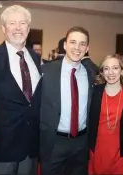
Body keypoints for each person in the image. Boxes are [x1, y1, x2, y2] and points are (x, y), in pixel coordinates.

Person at [0, 5, 42, 175]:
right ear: (3, 28)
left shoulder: (36, 58)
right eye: (12, 23)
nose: (17, 28)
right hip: (3, 146)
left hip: (31, 146)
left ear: (28, 29)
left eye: (22, 23)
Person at [39, 26, 96, 175]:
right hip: (54, 143)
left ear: (87, 48)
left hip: (81, 144)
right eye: (73, 42)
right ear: (65, 45)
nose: (77, 48)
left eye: (82, 44)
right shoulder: (46, 71)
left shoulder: (92, 74)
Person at [88, 54, 123, 174]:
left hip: (121, 155)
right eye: (106, 68)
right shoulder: (94, 93)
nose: (111, 72)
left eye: (115, 68)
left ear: (122, 70)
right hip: (97, 152)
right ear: (102, 72)